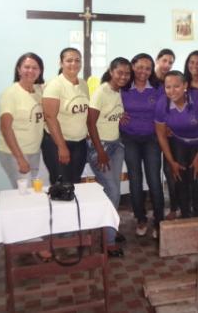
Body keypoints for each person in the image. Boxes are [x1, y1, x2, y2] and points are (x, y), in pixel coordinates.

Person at [155, 70, 198, 218]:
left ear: (185, 86)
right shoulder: (162, 104)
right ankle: (185, 215)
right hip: (179, 142)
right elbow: (161, 136)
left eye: (176, 86)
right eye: (168, 87)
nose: (172, 91)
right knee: (179, 178)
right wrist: (171, 162)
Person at [87, 57, 131, 257]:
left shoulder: (119, 92)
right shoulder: (101, 92)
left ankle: (109, 228)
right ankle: (108, 240)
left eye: (126, 73)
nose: (123, 76)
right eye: (119, 72)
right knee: (112, 191)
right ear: (111, 71)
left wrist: (120, 117)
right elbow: (90, 123)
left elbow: (112, 115)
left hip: (116, 145)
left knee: (113, 192)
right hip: (101, 148)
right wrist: (101, 151)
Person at [120, 53, 165, 239]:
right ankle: (140, 218)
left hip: (152, 139)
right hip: (130, 138)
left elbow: (164, 112)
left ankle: (159, 220)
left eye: (148, 68)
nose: (143, 72)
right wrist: (118, 115)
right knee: (135, 180)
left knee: (154, 179)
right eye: (139, 67)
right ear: (132, 66)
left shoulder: (158, 88)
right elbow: (110, 108)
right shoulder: (123, 88)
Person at [41, 48, 90, 185]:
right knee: (61, 185)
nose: (73, 63)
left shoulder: (83, 84)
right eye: (69, 60)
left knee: (75, 182)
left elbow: (83, 110)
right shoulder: (55, 85)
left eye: (77, 60)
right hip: (57, 143)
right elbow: (50, 117)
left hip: (79, 143)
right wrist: (62, 147)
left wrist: (85, 131)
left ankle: (73, 207)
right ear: (61, 63)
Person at [0, 52, 45, 187]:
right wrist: (20, 158)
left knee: (34, 189)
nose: (31, 71)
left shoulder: (39, 91)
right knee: (24, 191)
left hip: (34, 151)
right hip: (14, 153)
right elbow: (5, 128)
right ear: (18, 69)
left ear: (40, 71)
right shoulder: (10, 94)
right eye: (26, 67)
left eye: (35, 68)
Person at [154, 48, 180, 220]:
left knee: (171, 170)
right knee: (155, 172)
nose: (167, 65)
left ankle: (175, 206)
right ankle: (156, 210)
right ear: (157, 60)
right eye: (164, 60)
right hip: (149, 133)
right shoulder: (148, 79)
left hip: (168, 133)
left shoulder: (172, 81)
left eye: (170, 62)